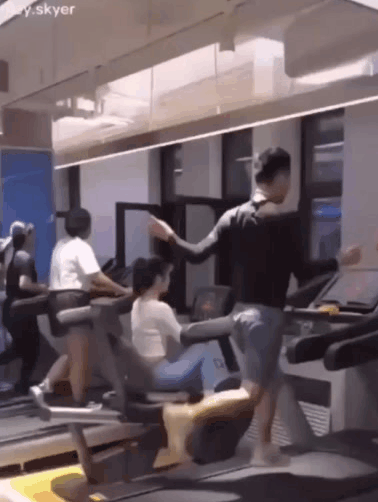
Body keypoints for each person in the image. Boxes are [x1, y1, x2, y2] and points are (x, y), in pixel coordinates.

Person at [149, 147, 361, 466]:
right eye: (289, 178)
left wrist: (170, 236)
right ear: (282, 177)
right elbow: (304, 273)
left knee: (271, 380)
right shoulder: (282, 220)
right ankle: (183, 416)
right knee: (251, 392)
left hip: (238, 315)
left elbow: (196, 254)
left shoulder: (231, 217)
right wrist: (338, 260)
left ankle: (264, 447)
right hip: (266, 317)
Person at [33, 208, 130, 407]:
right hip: (73, 300)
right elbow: (96, 276)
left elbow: (78, 278)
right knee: (80, 355)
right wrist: (122, 290)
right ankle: (79, 402)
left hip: (56, 299)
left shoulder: (60, 245)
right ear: (86, 227)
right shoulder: (81, 246)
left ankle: (44, 386)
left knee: (71, 350)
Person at [131, 256, 217, 395]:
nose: (170, 280)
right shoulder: (161, 308)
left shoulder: (137, 304)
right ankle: (211, 398)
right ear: (158, 279)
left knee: (194, 349)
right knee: (207, 347)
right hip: (158, 375)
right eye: (168, 276)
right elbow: (183, 337)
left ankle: (197, 395)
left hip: (143, 373)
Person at [0, 222, 48, 394]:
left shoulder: (13, 257)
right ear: (27, 237)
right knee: (30, 349)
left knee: (21, 349)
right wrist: (45, 288)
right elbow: (25, 284)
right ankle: (23, 385)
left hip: (12, 310)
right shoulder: (24, 258)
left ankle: (22, 385)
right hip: (22, 311)